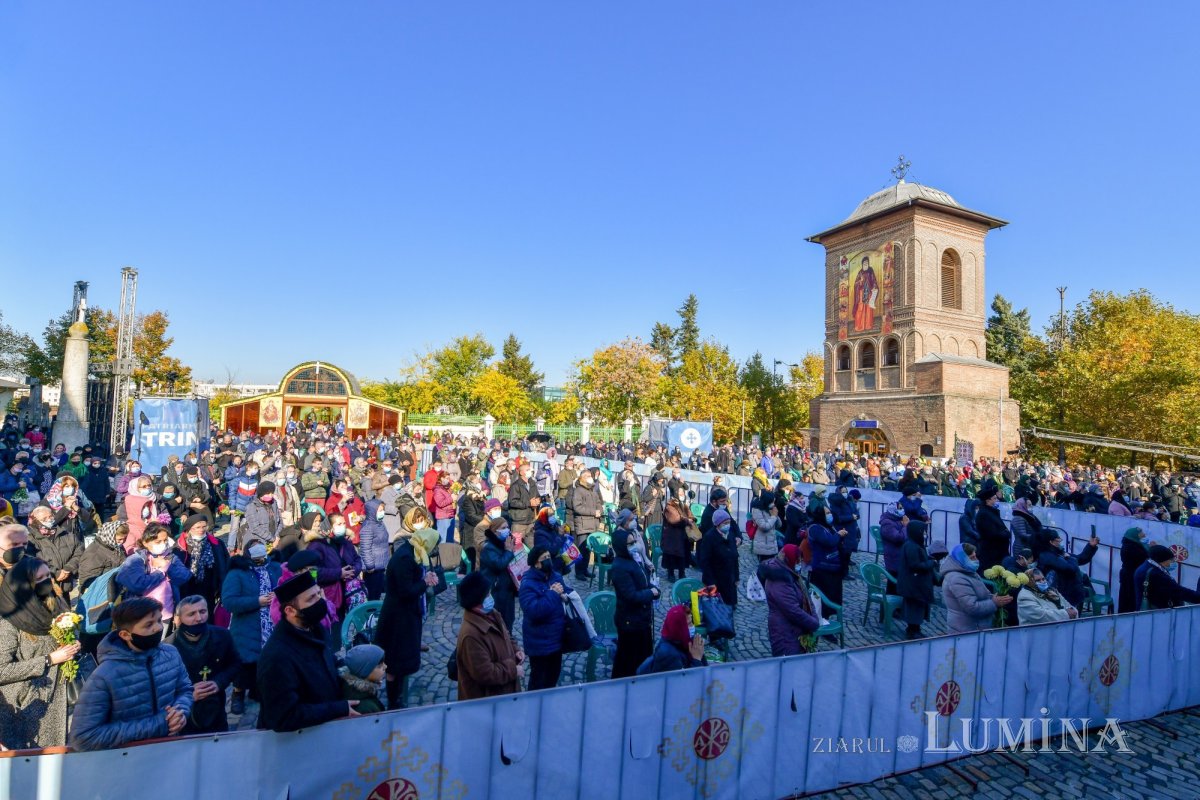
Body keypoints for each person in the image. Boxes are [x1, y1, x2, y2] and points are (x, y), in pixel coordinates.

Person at [68, 597, 194, 751]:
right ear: (125, 635)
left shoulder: (171, 653)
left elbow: (185, 689)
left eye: (159, 621)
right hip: (128, 760)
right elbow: (83, 737)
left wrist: (180, 712)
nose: (158, 628)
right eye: (148, 625)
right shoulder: (104, 675)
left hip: (169, 750)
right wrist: (159, 724)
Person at [256, 571, 359, 732]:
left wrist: (354, 676)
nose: (320, 601)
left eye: (319, 593)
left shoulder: (315, 628)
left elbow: (327, 660)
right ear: (290, 611)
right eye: (311, 598)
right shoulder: (277, 656)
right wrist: (336, 709)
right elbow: (284, 717)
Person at [0, 558, 79, 748]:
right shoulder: (8, 621)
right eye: (40, 578)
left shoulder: (55, 602)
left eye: (48, 577)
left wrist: (73, 643)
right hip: (31, 704)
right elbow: (2, 670)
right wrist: (49, 659)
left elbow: (70, 631)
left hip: (64, 696)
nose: (47, 583)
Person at [377, 509, 439, 709]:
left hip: (405, 616)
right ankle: (394, 700)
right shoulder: (405, 557)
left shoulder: (413, 552)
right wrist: (425, 583)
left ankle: (397, 696)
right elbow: (405, 590)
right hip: (398, 619)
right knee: (395, 662)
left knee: (401, 660)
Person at [164, 595, 240, 734]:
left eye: (202, 611)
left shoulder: (222, 636)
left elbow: (235, 664)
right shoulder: (168, 648)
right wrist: (187, 696)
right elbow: (163, 686)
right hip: (185, 716)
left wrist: (218, 682)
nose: (199, 618)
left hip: (216, 709)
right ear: (179, 619)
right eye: (191, 614)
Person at [220, 543, 280, 715]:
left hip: (272, 623)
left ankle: (260, 690)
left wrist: (279, 595)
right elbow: (229, 601)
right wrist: (257, 601)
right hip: (247, 625)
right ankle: (238, 694)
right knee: (245, 663)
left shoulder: (274, 568)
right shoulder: (237, 573)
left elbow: (285, 586)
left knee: (266, 662)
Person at [455, 571, 522, 700]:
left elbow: (506, 634)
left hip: (504, 695)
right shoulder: (470, 635)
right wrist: (513, 670)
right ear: (476, 600)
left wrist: (516, 650)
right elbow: (485, 673)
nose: (491, 597)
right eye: (487, 595)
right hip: (488, 702)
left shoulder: (492, 613)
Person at [116, 523, 193, 631]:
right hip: (140, 612)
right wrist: (161, 572)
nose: (163, 544)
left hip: (165, 612)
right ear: (145, 542)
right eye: (158, 542)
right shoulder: (135, 560)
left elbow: (185, 576)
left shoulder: (170, 556)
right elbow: (137, 585)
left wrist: (168, 565)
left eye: (165, 540)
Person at [609, 525, 659, 678]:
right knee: (627, 660)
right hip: (630, 621)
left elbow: (642, 581)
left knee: (643, 656)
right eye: (629, 544)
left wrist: (652, 587)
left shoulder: (633, 560)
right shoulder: (619, 567)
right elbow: (631, 596)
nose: (633, 546)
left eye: (633, 542)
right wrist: (651, 593)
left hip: (641, 618)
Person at [518, 546, 568, 691]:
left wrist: (566, 595)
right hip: (539, 642)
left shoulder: (555, 576)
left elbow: (566, 591)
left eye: (549, 557)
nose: (548, 560)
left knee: (553, 676)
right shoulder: (528, 584)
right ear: (536, 564)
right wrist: (553, 594)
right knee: (539, 681)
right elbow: (534, 611)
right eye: (544, 559)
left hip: (556, 639)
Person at [758, 544, 820, 657]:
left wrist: (813, 616)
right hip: (784, 632)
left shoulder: (790, 572)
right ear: (789, 560)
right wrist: (813, 623)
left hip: (794, 629)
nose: (799, 564)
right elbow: (792, 610)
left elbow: (806, 595)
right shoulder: (779, 580)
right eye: (797, 561)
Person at [941, 543, 1011, 634]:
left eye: (975, 556)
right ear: (962, 559)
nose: (976, 560)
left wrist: (995, 597)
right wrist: (994, 603)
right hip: (966, 632)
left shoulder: (968, 571)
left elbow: (981, 593)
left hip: (976, 628)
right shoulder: (957, 579)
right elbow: (972, 608)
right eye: (972, 558)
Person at [177, 514, 230, 614]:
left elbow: (224, 563)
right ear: (189, 529)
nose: (201, 529)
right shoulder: (180, 545)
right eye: (197, 527)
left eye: (204, 526)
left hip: (210, 585)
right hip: (189, 586)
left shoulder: (217, 543)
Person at [636, 604, 707, 675]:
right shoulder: (669, 656)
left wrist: (699, 652)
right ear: (679, 629)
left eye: (692, 623)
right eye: (689, 624)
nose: (692, 627)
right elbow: (684, 683)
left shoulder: (683, 641)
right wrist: (697, 659)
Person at [1035, 530, 1098, 609]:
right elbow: (1071, 568)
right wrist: (1069, 558)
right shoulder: (1048, 556)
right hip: (1060, 597)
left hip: (1068, 595)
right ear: (1051, 542)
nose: (1060, 540)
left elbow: (1080, 559)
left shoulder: (1058, 553)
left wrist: (1091, 546)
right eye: (1058, 538)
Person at [478, 517, 518, 633]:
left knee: (509, 620)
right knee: (498, 622)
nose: (507, 530)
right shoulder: (488, 548)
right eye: (503, 528)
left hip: (507, 589)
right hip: (496, 590)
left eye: (507, 527)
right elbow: (499, 564)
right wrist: (509, 552)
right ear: (495, 531)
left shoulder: (504, 544)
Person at [897, 520, 936, 639]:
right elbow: (916, 565)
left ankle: (915, 628)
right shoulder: (911, 546)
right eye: (923, 531)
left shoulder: (914, 544)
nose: (925, 534)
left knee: (917, 607)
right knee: (914, 608)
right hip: (913, 584)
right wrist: (931, 563)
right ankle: (913, 630)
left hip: (915, 583)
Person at [1133, 544, 1200, 610]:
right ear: (1163, 559)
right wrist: (1198, 598)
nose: (1172, 562)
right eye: (1170, 560)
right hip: (1158, 612)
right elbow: (1177, 591)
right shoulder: (1155, 574)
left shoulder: (1147, 565)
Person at [805, 504, 846, 607]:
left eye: (830, 512)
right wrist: (838, 535)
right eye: (827, 513)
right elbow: (829, 542)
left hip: (833, 568)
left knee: (833, 599)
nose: (830, 515)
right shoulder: (815, 528)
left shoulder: (829, 526)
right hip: (822, 568)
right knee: (823, 601)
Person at [698, 509, 740, 610]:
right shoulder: (710, 537)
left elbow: (735, 557)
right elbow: (705, 561)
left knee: (730, 608)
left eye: (729, 522)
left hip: (729, 578)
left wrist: (737, 577)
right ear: (718, 524)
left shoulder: (730, 535)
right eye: (725, 523)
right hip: (716, 579)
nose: (728, 525)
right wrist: (710, 581)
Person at [569, 469, 602, 580]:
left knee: (588, 550)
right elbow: (577, 507)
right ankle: (579, 572)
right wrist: (593, 512)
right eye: (587, 475)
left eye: (590, 475)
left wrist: (599, 510)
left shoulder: (592, 490)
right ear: (582, 478)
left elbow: (599, 503)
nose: (590, 477)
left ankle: (585, 569)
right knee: (582, 549)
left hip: (593, 524)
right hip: (583, 524)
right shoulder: (578, 490)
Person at [358, 498, 390, 600]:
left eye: (383, 510)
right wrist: (370, 566)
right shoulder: (368, 527)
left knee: (377, 593)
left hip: (381, 565)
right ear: (372, 511)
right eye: (379, 510)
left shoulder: (380, 523)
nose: (382, 513)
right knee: (372, 594)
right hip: (372, 569)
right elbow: (365, 548)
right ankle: (370, 614)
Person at [340, 643, 386, 715]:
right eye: (379, 666)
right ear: (365, 672)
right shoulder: (365, 708)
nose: (385, 667)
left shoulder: (354, 690)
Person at [240, 481, 282, 553]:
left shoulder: (273, 503)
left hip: (274, 541)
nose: (271, 495)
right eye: (268, 493)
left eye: (272, 493)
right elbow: (255, 528)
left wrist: (277, 537)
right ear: (261, 494)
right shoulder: (252, 506)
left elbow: (280, 522)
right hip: (257, 542)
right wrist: (272, 539)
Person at [975, 485, 1010, 572]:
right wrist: (1006, 534)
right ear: (988, 500)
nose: (997, 500)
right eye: (994, 498)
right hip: (991, 553)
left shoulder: (992, 512)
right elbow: (992, 533)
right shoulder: (983, 514)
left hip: (998, 552)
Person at [661, 498, 695, 582]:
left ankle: (681, 573)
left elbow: (690, 515)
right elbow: (675, 520)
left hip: (683, 535)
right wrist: (687, 520)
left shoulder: (684, 505)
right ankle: (671, 573)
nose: (682, 495)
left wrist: (691, 519)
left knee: (683, 555)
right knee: (671, 555)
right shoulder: (669, 507)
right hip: (672, 536)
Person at [1117, 527, 1151, 613]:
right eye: (1141, 534)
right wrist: (1150, 549)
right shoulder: (1132, 548)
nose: (1144, 535)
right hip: (1131, 577)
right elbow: (1144, 558)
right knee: (1130, 600)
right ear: (1134, 536)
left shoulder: (1131, 545)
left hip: (1129, 575)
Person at [751, 492, 781, 563]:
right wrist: (773, 517)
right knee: (764, 567)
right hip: (763, 545)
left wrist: (776, 515)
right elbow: (764, 527)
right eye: (772, 502)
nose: (773, 503)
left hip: (771, 544)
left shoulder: (770, 509)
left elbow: (779, 525)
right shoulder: (757, 510)